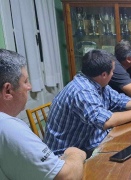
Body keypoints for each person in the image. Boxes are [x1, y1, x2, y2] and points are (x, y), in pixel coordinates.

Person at [44, 49, 131, 157]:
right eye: (112, 71)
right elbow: (106, 121)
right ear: (103, 75)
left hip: (88, 144)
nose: (113, 74)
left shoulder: (97, 83)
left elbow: (118, 99)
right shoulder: (82, 90)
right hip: (66, 157)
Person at [0, 49, 86, 179]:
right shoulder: (8, 127)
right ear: (8, 90)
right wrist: (75, 153)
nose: (29, 87)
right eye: (25, 81)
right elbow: (66, 177)